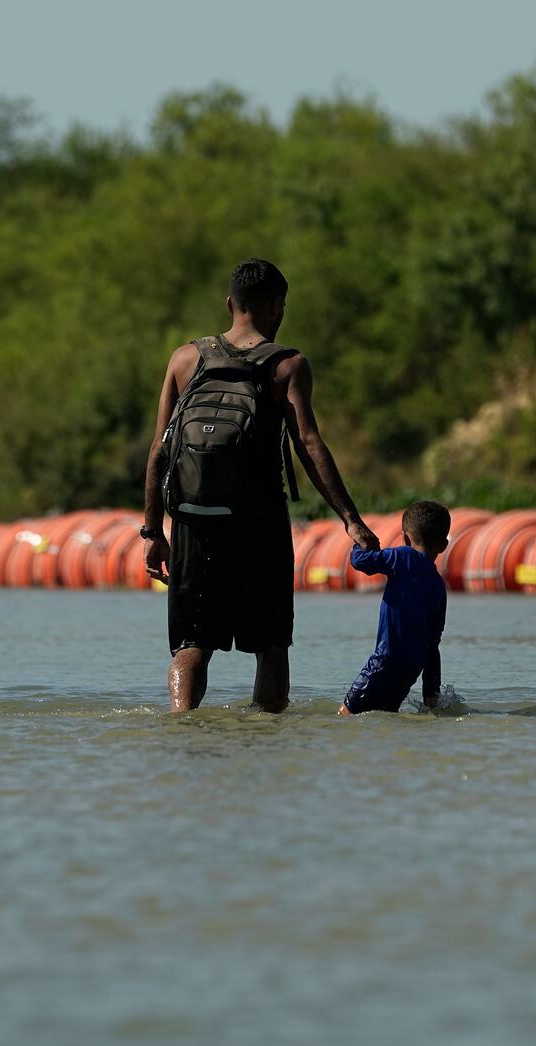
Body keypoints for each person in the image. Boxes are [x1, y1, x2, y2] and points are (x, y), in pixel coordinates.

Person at [142, 258, 378, 714]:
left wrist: (153, 533)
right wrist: (350, 519)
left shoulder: (185, 358)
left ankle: (181, 724)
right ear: (277, 308)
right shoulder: (287, 365)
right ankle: (266, 736)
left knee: (192, 643)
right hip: (259, 524)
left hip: (192, 521)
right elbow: (309, 444)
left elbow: (159, 450)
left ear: (231, 303)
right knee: (270, 644)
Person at [339, 501, 451, 715]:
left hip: (384, 662)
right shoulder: (438, 585)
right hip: (411, 670)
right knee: (385, 717)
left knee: (344, 717)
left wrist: (359, 540)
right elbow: (433, 645)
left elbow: (360, 561)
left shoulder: (402, 556)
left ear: (405, 538)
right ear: (443, 545)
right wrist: (431, 695)